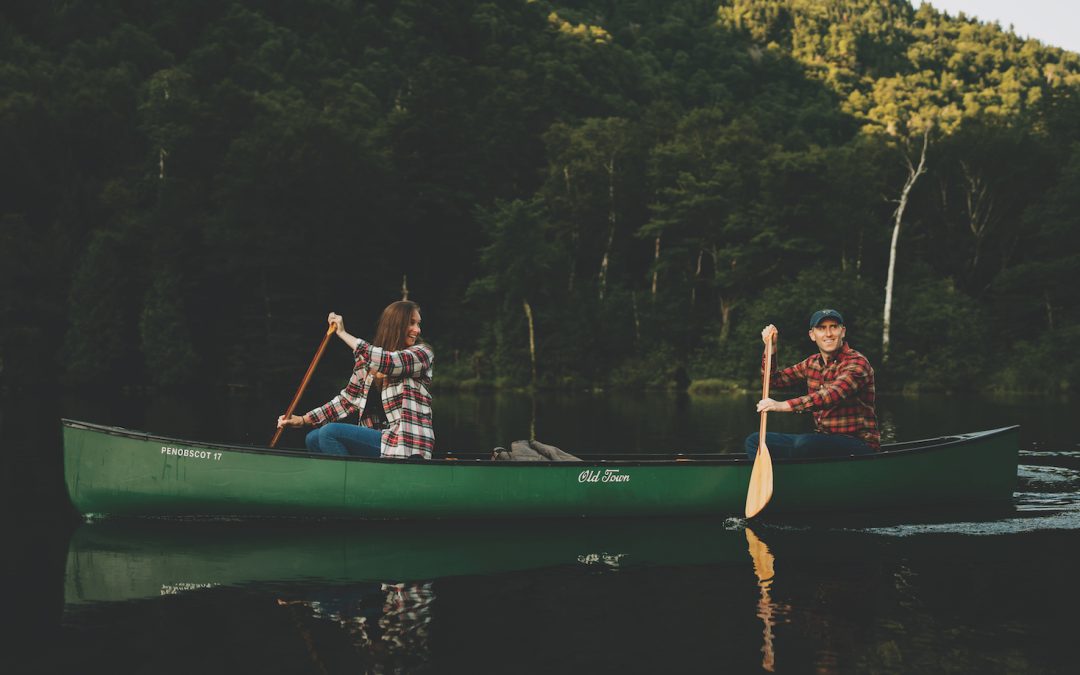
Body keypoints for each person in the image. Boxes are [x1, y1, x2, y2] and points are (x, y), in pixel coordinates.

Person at [276, 300, 435, 459]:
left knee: (329, 432)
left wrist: (342, 333)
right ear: (396, 325)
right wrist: (303, 420)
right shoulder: (366, 364)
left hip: (407, 444)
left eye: (418, 324)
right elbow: (346, 401)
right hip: (382, 441)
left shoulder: (422, 354)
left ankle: (348, 480)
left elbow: (388, 362)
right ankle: (340, 479)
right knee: (313, 438)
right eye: (412, 323)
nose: (417, 330)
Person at [744, 308, 879, 460]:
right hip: (823, 441)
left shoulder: (857, 363)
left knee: (805, 444)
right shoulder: (812, 363)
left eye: (833, 327)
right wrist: (771, 348)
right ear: (812, 335)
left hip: (858, 444)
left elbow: (831, 395)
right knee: (755, 441)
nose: (828, 334)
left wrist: (782, 405)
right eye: (821, 328)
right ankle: (779, 479)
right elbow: (772, 381)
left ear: (843, 331)